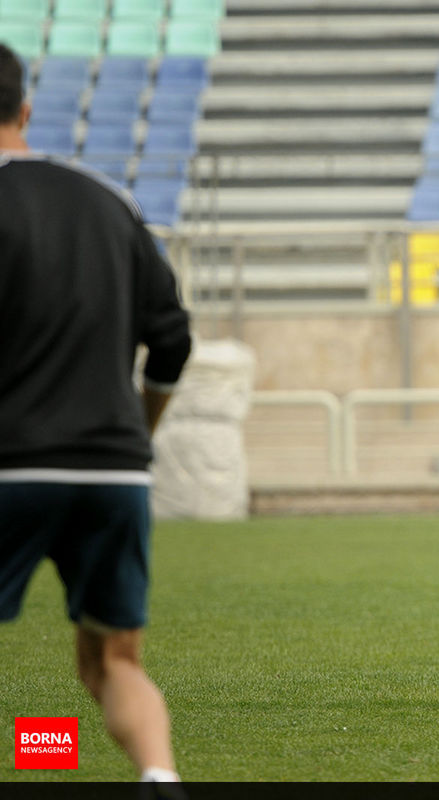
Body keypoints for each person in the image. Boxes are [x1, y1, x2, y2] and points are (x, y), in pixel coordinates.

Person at [0, 44, 192, 781]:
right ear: (24, 109)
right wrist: (138, 433)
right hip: (113, 471)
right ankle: (160, 779)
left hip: (10, 465)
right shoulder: (109, 200)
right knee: (112, 659)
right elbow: (172, 339)